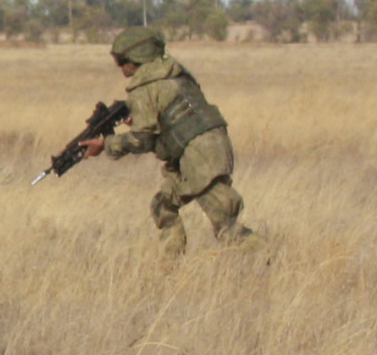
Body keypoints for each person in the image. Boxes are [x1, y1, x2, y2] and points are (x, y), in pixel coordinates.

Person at [74, 28, 250, 255]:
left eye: (122, 61)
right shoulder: (176, 74)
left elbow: (141, 141)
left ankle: (265, 261)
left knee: (227, 228)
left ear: (137, 58)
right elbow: (174, 120)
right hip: (207, 149)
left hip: (199, 158)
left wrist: (106, 145)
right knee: (163, 206)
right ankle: (170, 268)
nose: (120, 67)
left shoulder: (145, 89)